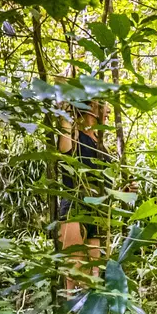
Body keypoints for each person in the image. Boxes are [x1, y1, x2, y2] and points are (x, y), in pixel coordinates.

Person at [57, 99, 111, 289]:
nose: (108, 112)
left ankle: (89, 311)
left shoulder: (101, 146)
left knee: (94, 272)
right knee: (74, 268)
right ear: (91, 109)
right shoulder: (73, 135)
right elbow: (65, 150)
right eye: (103, 106)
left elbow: (107, 182)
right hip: (74, 201)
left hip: (97, 207)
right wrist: (63, 111)